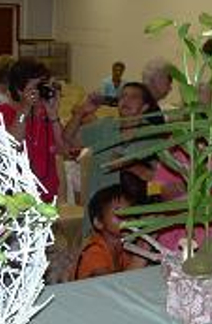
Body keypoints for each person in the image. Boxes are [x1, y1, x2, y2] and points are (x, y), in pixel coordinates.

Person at [63, 82, 160, 234]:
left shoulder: (153, 135)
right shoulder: (105, 126)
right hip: (97, 212)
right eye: (123, 96)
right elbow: (69, 138)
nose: (126, 101)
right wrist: (80, 113)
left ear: (145, 107)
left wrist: (126, 165)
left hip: (133, 217)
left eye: (133, 97)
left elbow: (159, 177)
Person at [0, 57, 65, 203]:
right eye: (37, 86)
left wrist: (53, 116)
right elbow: (12, 145)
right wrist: (24, 110)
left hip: (47, 195)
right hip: (15, 196)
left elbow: (63, 149)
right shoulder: (2, 112)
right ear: (19, 90)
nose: (41, 90)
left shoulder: (46, 114)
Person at [69, 184, 146, 280]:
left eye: (130, 212)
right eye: (119, 213)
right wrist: (144, 248)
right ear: (99, 223)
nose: (128, 218)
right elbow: (111, 286)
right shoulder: (93, 251)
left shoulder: (124, 249)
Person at [142, 58, 173, 125]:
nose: (170, 88)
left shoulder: (152, 104)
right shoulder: (142, 104)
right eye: (169, 81)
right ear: (157, 79)